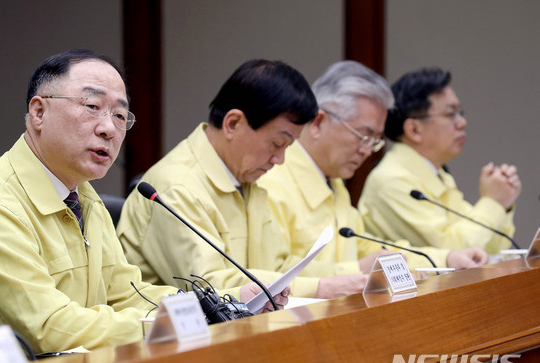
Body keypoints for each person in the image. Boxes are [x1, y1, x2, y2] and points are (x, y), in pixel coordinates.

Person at [0, 49, 284, 355]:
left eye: (120, 115)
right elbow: (50, 328)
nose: (108, 127)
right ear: (39, 112)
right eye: (91, 107)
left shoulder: (82, 195)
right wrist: (166, 326)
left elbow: (126, 292)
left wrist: (220, 302)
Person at [117, 59, 344, 298]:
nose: (280, 159)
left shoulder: (246, 182)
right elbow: (210, 285)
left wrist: (350, 277)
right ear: (233, 124)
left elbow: (278, 268)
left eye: (288, 147)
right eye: (277, 143)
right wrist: (321, 288)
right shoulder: (177, 187)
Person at [259, 61, 487, 294]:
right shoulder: (271, 180)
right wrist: (356, 269)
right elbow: (272, 273)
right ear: (318, 122)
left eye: (375, 141)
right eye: (363, 136)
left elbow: (363, 246)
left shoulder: (333, 183)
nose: (367, 151)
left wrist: (444, 259)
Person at [359, 67, 521, 254]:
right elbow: (454, 254)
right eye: (451, 114)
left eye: (460, 113)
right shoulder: (392, 181)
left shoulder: (438, 173)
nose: (462, 123)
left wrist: (502, 204)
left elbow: (491, 248)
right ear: (414, 129)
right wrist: (492, 201)